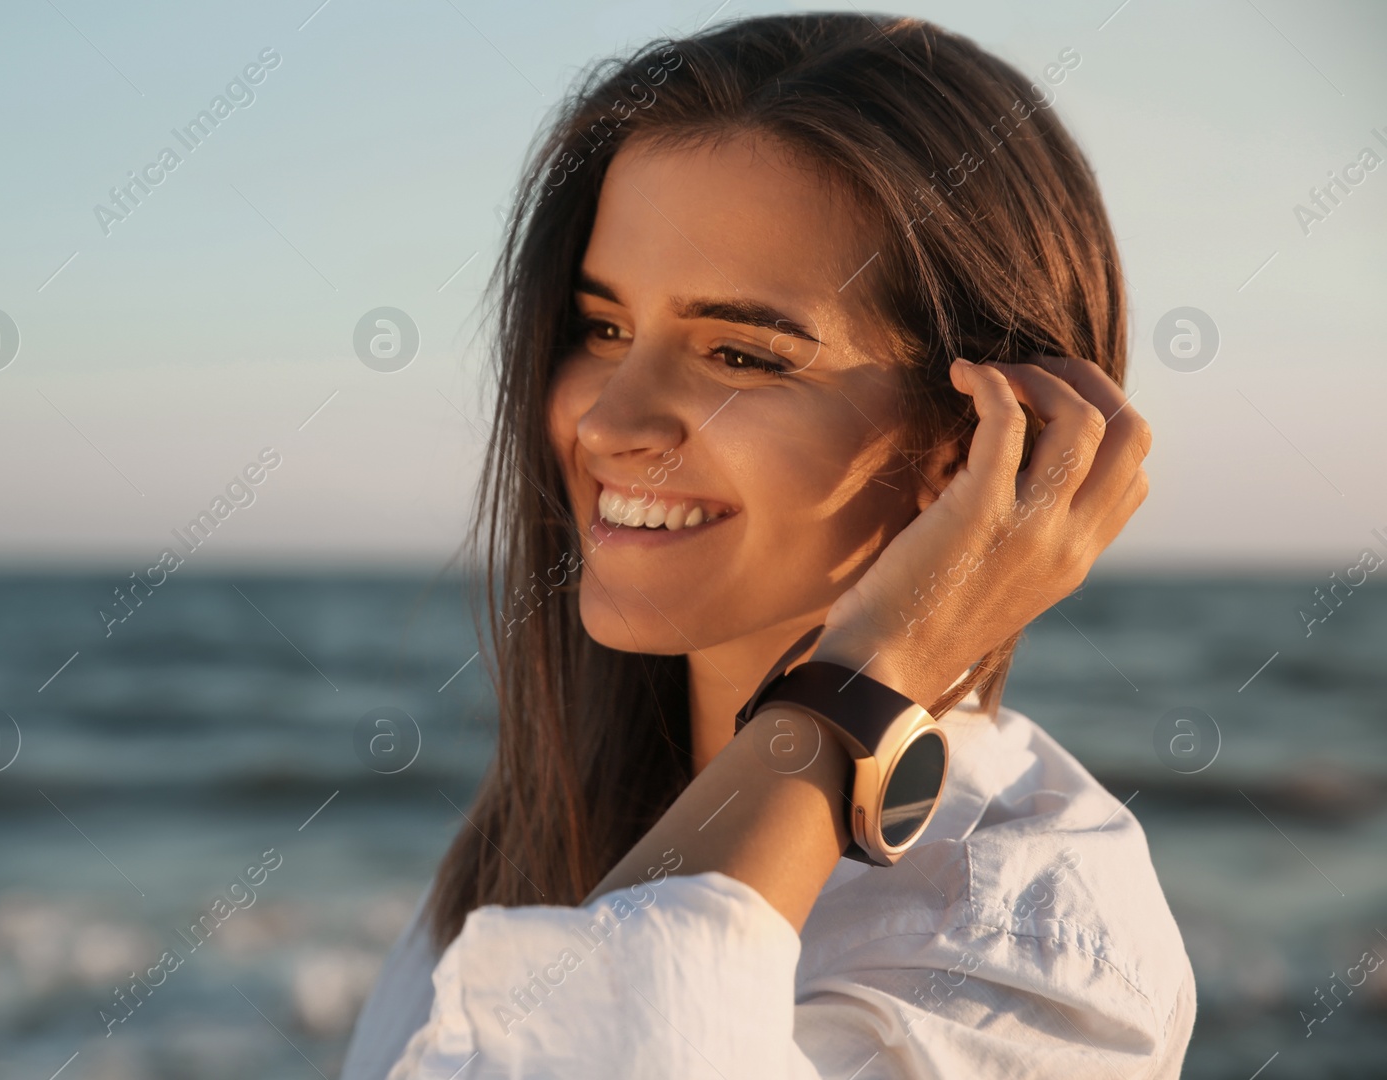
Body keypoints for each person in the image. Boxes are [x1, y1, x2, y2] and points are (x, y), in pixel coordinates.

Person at [341, 12, 1194, 1078]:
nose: (609, 423)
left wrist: (865, 683)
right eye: (603, 329)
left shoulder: (1021, 950)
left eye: (739, 354)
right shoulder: (536, 829)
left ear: (971, 441)